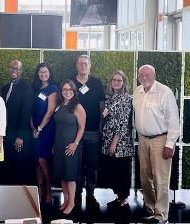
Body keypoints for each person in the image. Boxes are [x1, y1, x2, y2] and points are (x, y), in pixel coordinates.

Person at [133, 64, 179, 223]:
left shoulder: (165, 92)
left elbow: (174, 121)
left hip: (161, 140)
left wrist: (169, 144)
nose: (144, 78)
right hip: (143, 139)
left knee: (161, 179)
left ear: (154, 75)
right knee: (145, 178)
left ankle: (161, 216)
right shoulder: (137, 92)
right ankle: (150, 208)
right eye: (141, 76)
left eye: (148, 75)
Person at [71, 54, 105, 208]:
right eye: (80, 63)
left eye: (86, 63)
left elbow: (102, 106)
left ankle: (90, 195)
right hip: (75, 132)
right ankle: (76, 194)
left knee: (92, 165)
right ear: (76, 66)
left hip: (92, 132)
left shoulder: (96, 83)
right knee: (76, 165)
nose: (83, 65)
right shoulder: (71, 82)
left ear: (90, 66)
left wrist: (101, 128)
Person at [101, 70, 134, 208]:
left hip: (121, 142)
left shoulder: (126, 98)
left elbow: (123, 122)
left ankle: (123, 200)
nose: (116, 82)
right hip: (109, 139)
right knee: (114, 170)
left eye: (119, 80)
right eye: (114, 80)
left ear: (124, 82)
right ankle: (119, 198)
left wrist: (114, 142)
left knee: (122, 171)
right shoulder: (112, 97)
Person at [0, 60, 34, 185]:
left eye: (17, 68)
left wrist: (20, 136)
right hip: (7, 132)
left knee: (19, 166)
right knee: (8, 164)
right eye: (12, 68)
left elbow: (26, 113)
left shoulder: (27, 88)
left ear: (21, 71)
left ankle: (20, 196)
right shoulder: (5, 88)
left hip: (19, 135)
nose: (14, 70)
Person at [53, 79, 86, 215]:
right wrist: (54, 146)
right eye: (65, 90)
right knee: (62, 175)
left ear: (74, 91)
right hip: (59, 145)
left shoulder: (78, 107)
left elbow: (82, 128)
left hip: (71, 146)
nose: (67, 92)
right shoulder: (59, 106)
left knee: (70, 176)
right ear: (61, 91)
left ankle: (72, 202)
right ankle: (66, 200)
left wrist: (75, 143)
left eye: (70, 90)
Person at [31, 63, 57, 205]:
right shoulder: (35, 88)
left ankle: (48, 190)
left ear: (49, 73)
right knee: (37, 161)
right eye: (41, 72)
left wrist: (40, 128)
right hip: (34, 129)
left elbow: (50, 111)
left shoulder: (52, 89)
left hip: (46, 130)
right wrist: (32, 127)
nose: (43, 74)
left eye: (46, 72)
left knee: (43, 160)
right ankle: (39, 191)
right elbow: (31, 108)